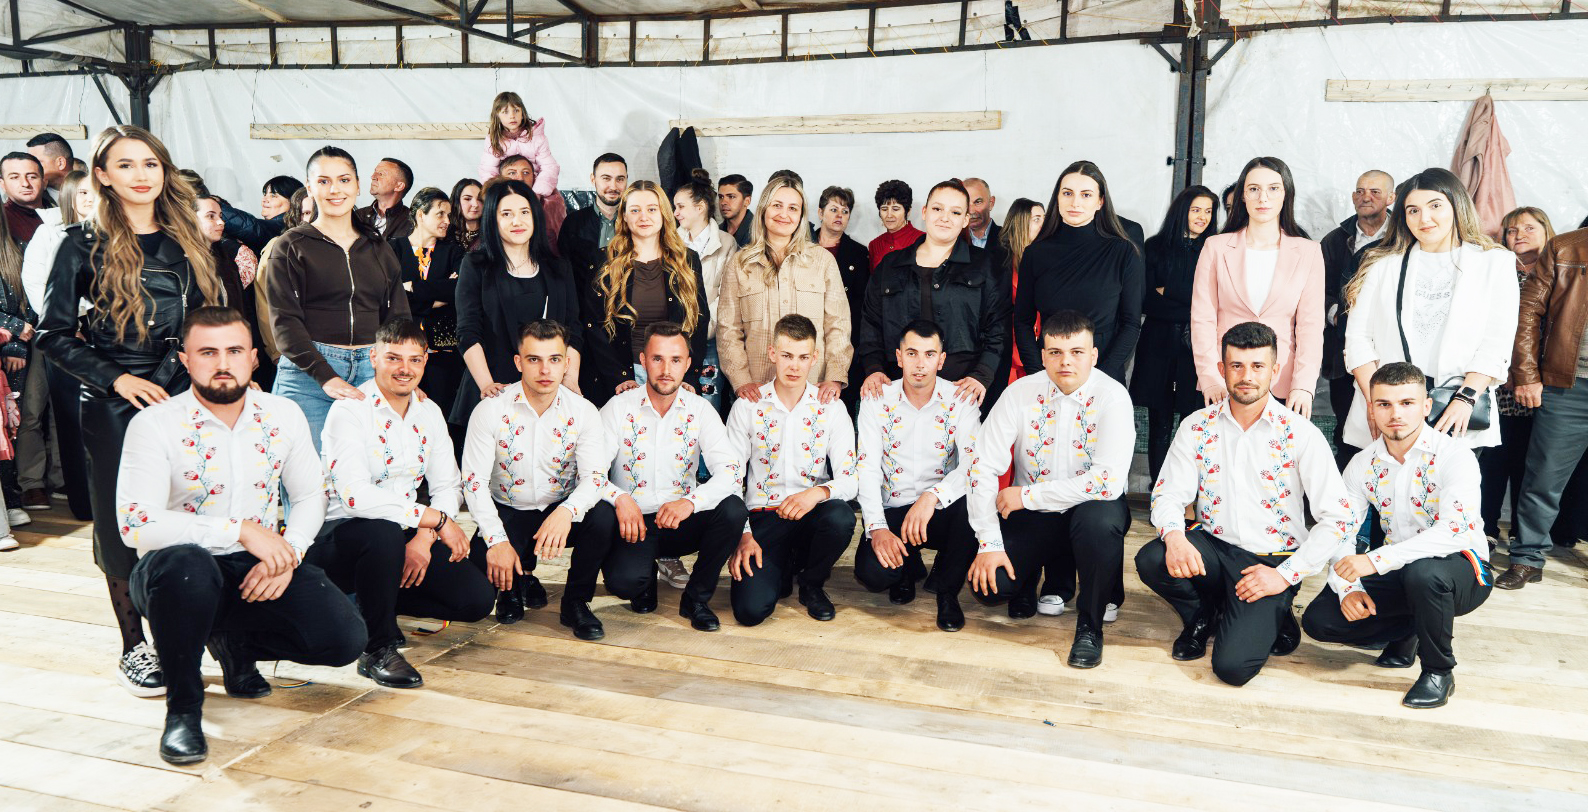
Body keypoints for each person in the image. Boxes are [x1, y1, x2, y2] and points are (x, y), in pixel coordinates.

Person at [114, 306, 365, 765]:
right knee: (188, 566)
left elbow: (311, 495)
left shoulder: (283, 414)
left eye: (233, 351)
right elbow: (134, 522)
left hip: (255, 567)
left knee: (343, 639)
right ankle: (183, 711)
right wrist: (240, 530)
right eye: (207, 352)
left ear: (253, 358)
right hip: (174, 573)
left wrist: (289, 555)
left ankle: (235, 643)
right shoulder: (154, 424)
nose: (222, 363)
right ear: (185, 360)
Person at [38, 125, 225, 697]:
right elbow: (53, 334)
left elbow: (208, 321)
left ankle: (193, 629)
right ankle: (133, 647)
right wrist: (117, 379)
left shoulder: (187, 237)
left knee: (194, 511)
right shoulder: (79, 245)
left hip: (183, 395)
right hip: (115, 402)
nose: (141, 175)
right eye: (125, 165)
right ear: (101, 175)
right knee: (123, 523)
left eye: (150, 163)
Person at [1137, 322, 1354, 686]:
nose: (1246, 376)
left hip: (1270, 560)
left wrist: (1284, 576)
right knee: (1153, 558)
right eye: (1236, 365)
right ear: (1221, 369)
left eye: (1257, 366)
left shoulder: (1301, 433)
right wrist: (1174, 537)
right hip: (1214, 546)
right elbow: (1168, 494)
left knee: (1232, 668)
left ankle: (1276, 611)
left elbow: (1338, 519)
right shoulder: (1196, 426)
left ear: (1275, 370)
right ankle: (1203, 615)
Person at [314, 317, 493, 688]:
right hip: (341, 535)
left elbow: (448, 485)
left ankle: (373, 602)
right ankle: (376, 648)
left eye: (414, 360)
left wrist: (424, 539)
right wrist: (434, 520)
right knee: (381, 534)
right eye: (393, 358)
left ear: (425, 361)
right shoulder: (349, 411)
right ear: (374, 357)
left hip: (404, 532)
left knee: (475, 601)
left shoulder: (429, 412)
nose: (404, 369)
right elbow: (355, 496)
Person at [1301, 362, 1492, 709]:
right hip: (1400, 569)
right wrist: (1349, 588)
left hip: (1464, 569)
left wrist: (1374, 560)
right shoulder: (1362, 464)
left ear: (1426, 406)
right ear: (1371, 408)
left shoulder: (1455, 456)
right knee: (1320, 621)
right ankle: (1411, 630)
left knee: (1425, 574)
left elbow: (1455, 530)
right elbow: (1342, 528)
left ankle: (1438, 672)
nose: (1395, 414)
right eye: (1384, 404)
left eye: (1406, 403)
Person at [966, 310, 1134, 668]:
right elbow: (982, 466)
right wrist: (989, 543)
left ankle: (1090, 625)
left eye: (1077, 352)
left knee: (1098, 522)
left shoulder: (1113, 397)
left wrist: (1027, 496)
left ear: (1094, 355)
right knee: (991, 586)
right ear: (1043, 355)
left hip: (1091, 510)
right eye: (1055, 352)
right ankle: (1032, 578)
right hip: (1037, 515)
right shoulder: (1019, 393)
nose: (1065, 361)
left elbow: (1106, 482)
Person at [461, 319, 619, 641]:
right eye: (534, 359)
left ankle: (575, 602)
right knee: (477, 585)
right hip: (509, 510)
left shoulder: (584, 411)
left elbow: (595, 477)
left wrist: (567, 511)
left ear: (566, 364)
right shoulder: (490, 409)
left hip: (559, 507)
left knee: (604, 516)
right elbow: (474, 482)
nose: (545, 370)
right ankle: (514, 584)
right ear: (519, 362)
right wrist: (497, 540)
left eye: (554, 359)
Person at [1342, 167, 1518, 456]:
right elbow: (1358, 339)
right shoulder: (1381, 264)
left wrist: (1466, 398)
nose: (1424, 218)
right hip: (1389, 410)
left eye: (1435, 206)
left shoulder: (1494, 263)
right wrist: (1376, 403)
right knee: (1386, 484)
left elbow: (1496, 342)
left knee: (1449, 484)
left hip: (1456, 407)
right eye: (1413, 210)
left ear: (1456, 205)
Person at [596, 322, 748, 630]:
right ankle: (643, 579)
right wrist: (620, 498)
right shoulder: (617, 408)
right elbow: (591, 471)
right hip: (634, 524)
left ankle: (696, 600)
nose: (666, 370)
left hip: (681, 520)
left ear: (688, 364)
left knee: (733, 509)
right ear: (643, 360)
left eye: (675, 360)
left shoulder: (700, 410)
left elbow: (731, 471)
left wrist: (691, 502)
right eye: (658, 359)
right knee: (625, 583)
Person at [266, 146, 410, 448]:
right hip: (307, 374)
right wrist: (325, 375)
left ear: (357, 185)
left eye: (344, 180)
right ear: (309, 188)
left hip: (372, 371)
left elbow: (398, 319)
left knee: (371, 469)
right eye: (323, 181)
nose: (335, 190)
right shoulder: (290, 245)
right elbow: (284, 322)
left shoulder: (378, 247)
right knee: (309, 472)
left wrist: (400, 373)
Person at [726, 314, 857, 626]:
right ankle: (782, 568)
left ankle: (812, 584)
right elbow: (728, 477)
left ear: (814, 357)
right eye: (786, 356)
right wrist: (742, 534)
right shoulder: (748, 406)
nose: (794, 366)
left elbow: (851, 479)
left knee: (840, 517)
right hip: (763, 517)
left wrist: (816, 493)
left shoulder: (831, 408)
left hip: (811, 513)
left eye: (802, 357)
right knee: (750, 611)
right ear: (773, 353)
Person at [855, 320, 981, 632]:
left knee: (974, 504)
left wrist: (932, 496)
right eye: (912, 353)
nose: (920, 364)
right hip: (894, 509)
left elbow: (973, 465)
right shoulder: (876, 399)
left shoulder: (960, 399)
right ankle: (907, 569)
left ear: (941, 359)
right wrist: (877, 528)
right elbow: (866, 468)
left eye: (929, 354)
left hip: (938, 511)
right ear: (899, 357)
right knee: (873, 575)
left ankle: (948, 592)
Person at [1190, 157, 1324, 420]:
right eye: (1254, 189)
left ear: (1286, 194)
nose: (1263, 198)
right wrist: (1210, 378)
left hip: (1283, 382)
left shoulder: (1309, 252)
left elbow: (1310, 326)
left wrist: (1304, 384)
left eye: (1273, 188)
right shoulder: (1216, 247)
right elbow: (1202, 319)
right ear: (1242, 196)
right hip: (1223, 380)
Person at [1483, 207, 1585, 549]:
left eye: (1528, 228)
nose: (1519, 235)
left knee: (1534, 462)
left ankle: (1529, 534)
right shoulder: (1496, 270)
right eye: (1512, 230)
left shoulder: (1561, 263)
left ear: (1546, 230)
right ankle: (1492, 530)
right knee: (1500, 457)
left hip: (1544, 380)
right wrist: (1511, 371)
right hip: (1507, 380)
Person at [857, 179, 1009, 407]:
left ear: (965, 219)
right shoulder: (890, 266)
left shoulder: (986, 266)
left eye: (955, 212)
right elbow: (871, 324)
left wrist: (982, 375)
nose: (945, 218)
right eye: (938, 209)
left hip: (962, 393)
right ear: (925, 212)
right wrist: (873, 369)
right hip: (897, 392)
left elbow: (998, 328)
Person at [716, 174, 853, 405]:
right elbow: (728, 329)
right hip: (757, 392)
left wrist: (835, 377)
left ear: (801, 216)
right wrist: (741, 380)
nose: (784, 214)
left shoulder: (822, 261)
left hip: (814, 390)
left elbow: (838, 325)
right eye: (777, 205)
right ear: (763, 209)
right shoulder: (740, 263)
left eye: (793, 208)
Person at [454, 178, 581, 423]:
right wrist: (488, 385)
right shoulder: (476, 265)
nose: (517, 221)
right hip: (492, 390)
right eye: (506, 214)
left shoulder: (558, 268)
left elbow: (572, 329)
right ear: (492, 219)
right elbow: (468, 332)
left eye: (524, 212)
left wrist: (570, 379)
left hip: (548, 394)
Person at [1504, 223, 1588, 589]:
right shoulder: (1566, 248)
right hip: (1570, 384)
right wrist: (1526, 373)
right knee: (1544, 477)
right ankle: (1527, 558)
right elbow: (1528, 312)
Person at [1013, 161, 1144, 383]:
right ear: (1057, 198)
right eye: (1067, 193)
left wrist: (1101, 377)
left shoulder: (1123, 252)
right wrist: (1038, 373)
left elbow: (1131, 324)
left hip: (1103, 374)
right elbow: (1022, 321)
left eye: (1086, 195)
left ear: (1100, 201)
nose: (1075, 202)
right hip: (1049, 373)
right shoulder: (1035, 253)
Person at [584, 180, 710, 404]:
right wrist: (619, 377)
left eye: (652, 209)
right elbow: (594, 325)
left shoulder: (687, 260)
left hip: (673, 375)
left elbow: (699, 321)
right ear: (624, 216)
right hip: (623, 376)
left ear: (664, 214)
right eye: (635, 210)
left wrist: (688, 375)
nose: (644, 217)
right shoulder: (603, 261)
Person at [1133, 185, 1219, 482]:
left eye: (1208, 211)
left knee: (1192, 422)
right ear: (1182, 211)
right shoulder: (1155, 246)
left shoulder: (1214, 248)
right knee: (1159, 423)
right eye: (1196, 210)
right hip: (1157, 345)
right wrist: (1193, 301)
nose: (1202, 217)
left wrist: (1169, 290)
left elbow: (1216, 302)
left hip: (1196, 347)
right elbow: (1145, 301)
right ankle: (1159, 490)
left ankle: (1187, 492)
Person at [19, 169, 92, 517]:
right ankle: (35, 483)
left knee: (85, 412)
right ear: (68, 198)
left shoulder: (114, 233)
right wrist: (68, 321)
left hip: (97, 333)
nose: (90, 200)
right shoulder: (49, 232)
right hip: (56, 332)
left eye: (95, 193)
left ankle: (71, 482)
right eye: (82, 193)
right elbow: (36, 283)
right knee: (41, 409)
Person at [1320, 170, 1395, 465]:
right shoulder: (1335, 240)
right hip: (1344, 354)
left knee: (1391, 432)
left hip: (1391, 348)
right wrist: (1337, 316)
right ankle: (1349, 492)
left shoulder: (1404, 236)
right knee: (1348, 434)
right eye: (1360, 191)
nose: (1366, 197)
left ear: (1391, 198)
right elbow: (1319, 289)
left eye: (1375, 192)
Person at [392, 187, 466, 426]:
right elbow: (390, 296)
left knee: (442, 420)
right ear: (420, 215)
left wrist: (413, 287)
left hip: (443, 353)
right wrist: (438, 294)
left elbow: (460, 290)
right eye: (440, 214)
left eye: (449, 215)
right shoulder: (393, 249)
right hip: (401, 349)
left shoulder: (454, 251)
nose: (447, 221)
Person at [194, 195, 272, 391]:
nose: (221, 222)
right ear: (189, 218)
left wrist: (250, 349)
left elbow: (243, 309)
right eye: (210, 216)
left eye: (221, 216)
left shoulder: (227, 257)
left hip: (233, 354)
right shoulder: (180, 261)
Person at [674, 171, 734, 414]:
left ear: (699, 208)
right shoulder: (671, 242)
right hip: (675, 339)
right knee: (677, 405)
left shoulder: (726, 243)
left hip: (709, 341)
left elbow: (727, 295)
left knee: (708, 405)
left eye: (681, 206)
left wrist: (702, 328)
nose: (675, 213)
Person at [812, 185, 871, 415]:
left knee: (838, 411)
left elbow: (860, 306)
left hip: (842, 341)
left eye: (845, 211)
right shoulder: (801, 247)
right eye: (834, 209)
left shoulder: (859, 253)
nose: (839, 216)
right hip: (807, 338)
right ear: (820, 212)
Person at [986, 197, 1045, 409]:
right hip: (1007, 350)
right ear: (1020, 223)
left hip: (1038, 346)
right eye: (1036, 219)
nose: (1043, 224)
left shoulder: (1046, 259)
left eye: (1044, 219)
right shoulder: (997, 261)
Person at [253, 189, 316, 368]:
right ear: (295, 215)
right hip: (294, 352)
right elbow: (266, 303)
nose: (313, 219)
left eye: (316, 212)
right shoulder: (280, 247)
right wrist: (276, 351)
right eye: (306, 213)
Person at [0, 211, 33, 527]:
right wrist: (11, 326)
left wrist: (14, 346)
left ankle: (11, 502)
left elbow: (31, 299)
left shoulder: (16, 249)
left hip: (10, 354)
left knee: (9, 429)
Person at [559, 153, 627, 287]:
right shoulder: (573, 223)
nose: (613, 186)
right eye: (606, 178)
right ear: (593, 179)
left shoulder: (635, 223)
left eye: (620, 179)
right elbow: (563, 273)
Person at [477, 91, 560, 197]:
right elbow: (488, 170)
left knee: (554, 202)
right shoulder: (493, 140)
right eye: (505, 112)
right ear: (497, 116)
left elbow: (549, 167)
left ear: (522, 113)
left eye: (516, 110)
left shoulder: (537, 138)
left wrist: (537, 193)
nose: (512, 116)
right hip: (505, 190)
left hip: (534, 188)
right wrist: (498, 194)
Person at [218, 176, 304, 254]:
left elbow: (252, 227)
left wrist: (214, 207)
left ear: (293, 201)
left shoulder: (285, 227)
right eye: (265, 194)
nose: (264, 199)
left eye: (273, 196)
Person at [498, 154, 567, 249]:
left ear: (534, 178)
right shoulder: (493, 203)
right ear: (500, 178)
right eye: (512, 173)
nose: (520, 178)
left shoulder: (550, 203)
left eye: (526, 172)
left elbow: (556, 241)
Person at [867, 179, 923, 270]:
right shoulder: (875, 245)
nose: (889, 215)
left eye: (895, 209)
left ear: (908, 211)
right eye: (884, 209)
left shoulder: (922, 239)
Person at [355, 157, 414, 240]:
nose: (373, 176)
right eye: (375, 172)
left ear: (399, 186)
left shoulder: (413, 223)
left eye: (381, 174)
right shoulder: (357, 217)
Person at [2, 151, 49, 245]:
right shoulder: (3, 220)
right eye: (15, 177)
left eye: (32, 177)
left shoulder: (60, 212)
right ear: (2, 185)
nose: (25, 183)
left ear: (44, 182)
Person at [962, 177, 1000, 249]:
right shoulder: (952, 240)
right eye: (966, 203)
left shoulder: (1011, 239)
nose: (971, 211)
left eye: (978, 202)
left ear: (991, 203)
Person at [718, 174, 753, 248]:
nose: (723, 202)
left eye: (731, 197)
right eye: (721, 197)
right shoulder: (716, 231)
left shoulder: (760, 231)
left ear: (747, 201)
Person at [449, 178, 484, 251]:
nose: (475, 204)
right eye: (467, 199)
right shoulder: (446, 233)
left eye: (479, 199)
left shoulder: (491, 234)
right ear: (457, 202)